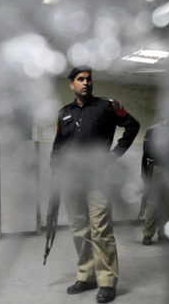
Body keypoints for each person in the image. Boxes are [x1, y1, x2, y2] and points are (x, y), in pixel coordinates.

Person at [51, 65, 140, 303]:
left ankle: (107, 281)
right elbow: (58, 146)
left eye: (89, 79)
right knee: (79, 230)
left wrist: (114, 155)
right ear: (72, 84)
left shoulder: (107, 107)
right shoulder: (64, 113)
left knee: (101, 230)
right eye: (80, 79)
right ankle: (86, 276)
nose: (86, 83)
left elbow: (133, 126)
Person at [140, 120, 169, 245]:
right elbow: (146, 152)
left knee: (167, 201)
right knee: (153, 202)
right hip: (155, 167)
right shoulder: (154, 129)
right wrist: (145, 172)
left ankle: (163, 232)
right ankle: (147, 234)